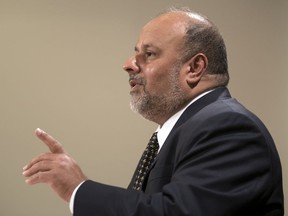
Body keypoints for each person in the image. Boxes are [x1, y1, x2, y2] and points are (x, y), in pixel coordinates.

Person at [23, 7, 284, 216]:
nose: (128, 65)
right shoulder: (186, 130)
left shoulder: (228, 128)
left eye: (149, 54)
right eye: (135, 53)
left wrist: (77, 189)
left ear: (194, 68)